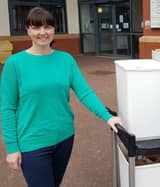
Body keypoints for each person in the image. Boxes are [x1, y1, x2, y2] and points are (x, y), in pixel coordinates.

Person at [0, 6, 121, 187]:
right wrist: (12, 147)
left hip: (64, 137)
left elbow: (85, 93)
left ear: (54, 29)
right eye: (36, 27)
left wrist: (108, 117)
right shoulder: (14, 64)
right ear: (28, 30)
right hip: (32, 143)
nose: (43, 32)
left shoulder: (65, 60)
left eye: (48, 27)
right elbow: (7, 108)